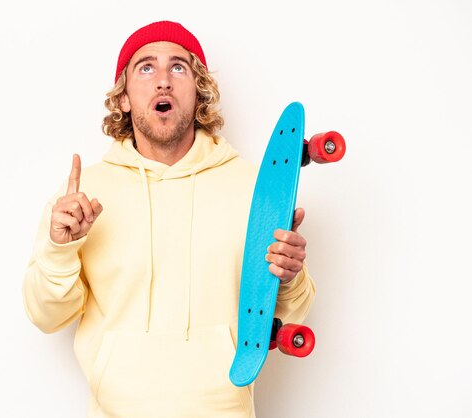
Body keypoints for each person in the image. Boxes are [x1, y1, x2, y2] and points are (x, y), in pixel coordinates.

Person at [23, 20, 315, 418]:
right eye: (146, 67)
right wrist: (60, 249)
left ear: (199, 93)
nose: (163, 81)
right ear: (123, 97)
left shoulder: (253, 187)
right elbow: (46, 316)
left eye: (178, 67)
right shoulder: (82, 195)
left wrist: (290, 274)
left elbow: (293, 312)